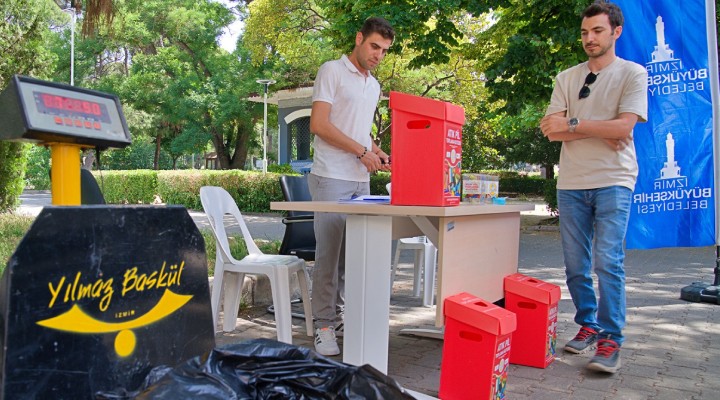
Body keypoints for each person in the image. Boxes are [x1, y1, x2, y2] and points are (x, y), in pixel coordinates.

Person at [539, 0, 648, 374]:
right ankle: (589, 322)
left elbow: (624, 129)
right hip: (571, 182)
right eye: (585, 32)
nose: (589, 38)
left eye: (597, 30)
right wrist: (595, 126)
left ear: (616, 32)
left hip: (614, 179)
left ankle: (611, 339)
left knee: (608, 262)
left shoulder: (632, 73)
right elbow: (550, 127)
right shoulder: (567, 77)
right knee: (575, 266)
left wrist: (573, 123)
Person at [307, 17, 394, 356]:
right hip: (331, 175)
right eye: (374, 46)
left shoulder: (373, 86)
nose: (378, 55)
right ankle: (324, 326)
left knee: (349, 257)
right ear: (359, 39)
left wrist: (373, 148)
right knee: (328, 256)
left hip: (361, 179)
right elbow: (318, 124)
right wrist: (360, 150)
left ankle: (338, 317)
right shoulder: (332, 70)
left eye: (384, 51)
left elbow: (357, 129)